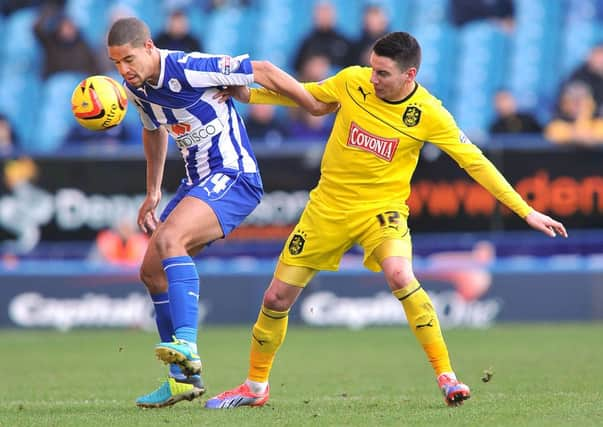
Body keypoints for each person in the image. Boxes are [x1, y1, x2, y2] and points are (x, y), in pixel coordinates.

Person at [205, 31, 568, 409]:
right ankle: (255, 387)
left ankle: (447, 376)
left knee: (400, 274)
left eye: (382, 73)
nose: (373, 78)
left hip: (382, 210)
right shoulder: (353, 80)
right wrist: (249, 95)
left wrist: (525, 210)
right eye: (372, 68)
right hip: (327, 208)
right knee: (276, 298)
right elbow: (309, 96)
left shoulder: (429, 113)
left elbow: (474, 161)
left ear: (409, 75)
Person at [106, 17, 327, 408]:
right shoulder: (136, 89)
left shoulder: (188, 66)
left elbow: (263, 70)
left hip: (235, 175)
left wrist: (311, 105)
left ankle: (186, 345)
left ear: (148, 47)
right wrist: (153, 191)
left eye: (127, 59)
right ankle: (181, 381)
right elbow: (153, 130)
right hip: (198, 181)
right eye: (115, 64)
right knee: (151, 271)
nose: (123, 70)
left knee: (172, 240)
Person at [33, 4, 100, 79]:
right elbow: (37, 29)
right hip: (55, 84)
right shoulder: (51, 43)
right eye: (66, 27)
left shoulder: (83, 45)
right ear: (59, 29)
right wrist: (50, 13)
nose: (69, 30)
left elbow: (93, 69)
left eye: (71, 27)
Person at [292, 1, 352, 74]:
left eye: (326, 11)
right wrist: (310, 68)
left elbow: (353, 67)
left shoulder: (344, 41)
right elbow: (296, 67)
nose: (323, 15)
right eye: (320, 12)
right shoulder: (307, 41)